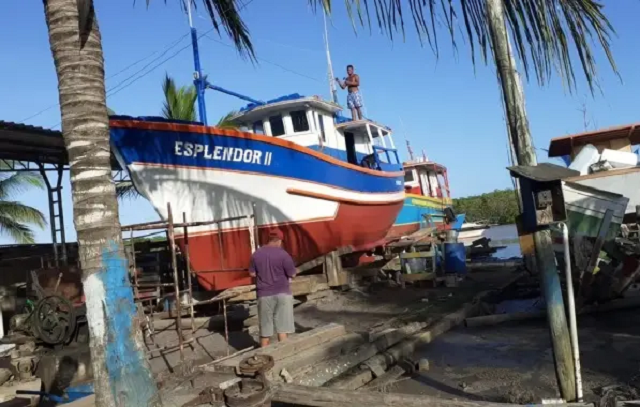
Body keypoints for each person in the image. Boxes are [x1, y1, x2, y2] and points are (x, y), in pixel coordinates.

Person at [249, 229, 296, 347]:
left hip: (264, 294)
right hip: (283, 294)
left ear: (269, 239)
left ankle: (263, 355)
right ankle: (284, 354)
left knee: (265, 329)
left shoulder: (256, 254)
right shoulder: (284, 255)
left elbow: (252, 274)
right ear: (280, 240)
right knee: (282, 328)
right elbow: (292, 274)